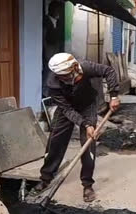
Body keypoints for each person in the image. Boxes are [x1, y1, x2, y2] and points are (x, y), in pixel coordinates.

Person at [33, 53, 121, 203]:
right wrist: (85, 124)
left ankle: (87, 184)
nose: (65, 79)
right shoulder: (52, 84)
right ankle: (46, 178)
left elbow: (109, 71)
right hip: (66, 108)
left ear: (74, 67)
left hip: (87, 105)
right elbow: (67, 110)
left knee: (88, 144)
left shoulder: (85, 67)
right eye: (62, 77)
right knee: (55, 141)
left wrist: (113, 95)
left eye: (67, 75)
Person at [42, 1, 63, 97]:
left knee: (51, 75)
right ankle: (44, 96)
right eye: (57, 10)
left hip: (53, 54)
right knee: (47, 76)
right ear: (52, 10)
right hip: (48, 54)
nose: (59, 12)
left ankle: (48, 95)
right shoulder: (46, 21)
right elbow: (44, 38)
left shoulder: (56, 22)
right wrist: (46, 54)